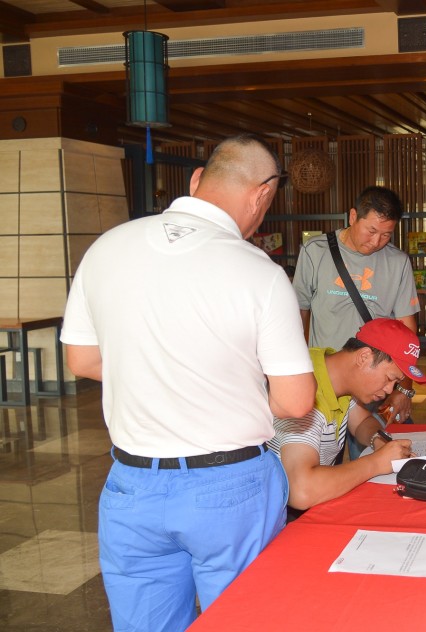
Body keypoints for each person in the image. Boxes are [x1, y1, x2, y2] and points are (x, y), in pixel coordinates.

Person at [60, 135, 317, 632]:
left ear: (197, 180)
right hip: (230, 486)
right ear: (262, 194)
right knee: (241, 619)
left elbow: (82, 359)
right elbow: (295, 401)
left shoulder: (106, 248)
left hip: (131, 485)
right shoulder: (257, 272)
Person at [269, 319, 426, 511]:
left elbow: (362, 422)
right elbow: (301, 491)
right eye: (389, 379)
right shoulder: (305, 391)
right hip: (278, 518)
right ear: (364, 357)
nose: (388, 390)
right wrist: (376, 463)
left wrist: (378, 441)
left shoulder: (334, 375)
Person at [293, 186, 419, 429]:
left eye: (386, 235)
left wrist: (404, 388)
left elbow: (408, 332)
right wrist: (298, 368)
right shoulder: (315, 252)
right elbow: (299, 313)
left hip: (375, 380)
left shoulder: (398, 262)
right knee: (323, 455)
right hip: (325, 382)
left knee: (375, 447)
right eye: (371, 231)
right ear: (353, 217)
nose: (376, 242)